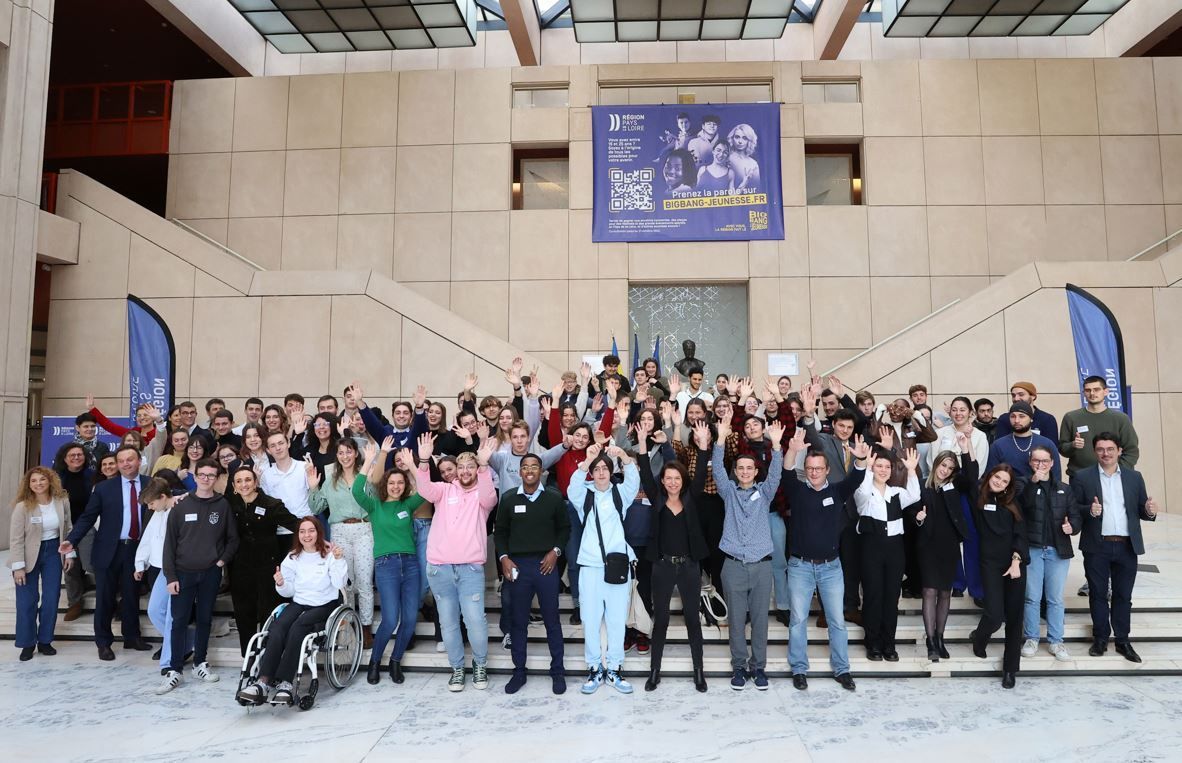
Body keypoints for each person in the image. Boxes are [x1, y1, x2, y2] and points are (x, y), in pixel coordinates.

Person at [780, 428, 867, 691]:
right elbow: (786, 471)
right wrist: (792, 450)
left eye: (819, 468)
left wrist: (861, 458)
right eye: (810, 468)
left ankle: (842, 669)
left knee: (837, 621)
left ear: (827, 470)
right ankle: (799, 669)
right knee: (798, 621)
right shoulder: (797, 491)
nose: (814, 472)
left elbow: (857, 476)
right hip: (800, 567)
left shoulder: (838, 492)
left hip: (831, 568)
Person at [415, 433, 498, 692]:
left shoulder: (482, 495)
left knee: (475, 621)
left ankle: (480, 664)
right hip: (440, 568)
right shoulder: (444, 490)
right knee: (448, 622)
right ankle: (457, 669)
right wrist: (423, 461)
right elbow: (424, 489)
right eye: (461, 467)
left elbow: (490, 497)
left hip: (469, 569)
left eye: (469, 467)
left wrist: (483, 465)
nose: (464, 471)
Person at [235, 516, 348, 706]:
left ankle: (285, 683)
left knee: (298, 628)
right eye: (302, 531)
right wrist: (281, 583)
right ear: (298, 535)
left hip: (324, 604)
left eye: (311, 530)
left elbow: (339, 583)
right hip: (299, 602)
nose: (307, 535)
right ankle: (263, 681)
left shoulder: (329, 555)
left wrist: (338, 560)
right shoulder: (293, 557)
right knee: (278, 628)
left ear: (318, 532)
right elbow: (288, 591)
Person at [712, 415, 785, 691]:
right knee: (736, 621)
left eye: (749, 468)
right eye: (740, 468)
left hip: (761, 566)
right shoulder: (728, 492)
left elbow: (776, 475)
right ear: (736, 471)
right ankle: (739, 667)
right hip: (733, 566)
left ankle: (759, 667)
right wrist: (720, 439)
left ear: (755, 472)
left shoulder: (765, 493)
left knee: (760, 620)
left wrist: (776, 446)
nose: (744, 472)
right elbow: (718, 471)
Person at [60, 444, 153, 661]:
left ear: (139, 461)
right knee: (105, 598)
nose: (126, 464)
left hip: (137, 549)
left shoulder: (151, 484)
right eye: (121, 461)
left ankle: (132, 637)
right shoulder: (103, 488)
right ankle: (103, 642)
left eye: (130, 459)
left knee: (131, 595)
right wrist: (72, 540)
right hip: (108, 550)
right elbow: (88, 517)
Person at [1072, 433, 1158, 663]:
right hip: (1096, 545)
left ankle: (1122, 640)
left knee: (1123, 595)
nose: (1105, 453)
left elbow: (1141, 509)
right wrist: (1090, 511)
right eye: (1100, 449)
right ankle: (1100, 638)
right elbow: (1074, 508)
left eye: (1110, 449)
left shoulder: (1134, 477)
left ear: (1119, 451)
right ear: (1094, 452)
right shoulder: (1082, 477)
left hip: (1127, 546)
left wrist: (1149, 511)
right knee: (1097, 594)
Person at [639, 418, 709, 693]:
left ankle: (699, 672)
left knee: (692, 619)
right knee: (662, 620)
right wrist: (642, 443)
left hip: (689, 567)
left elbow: (701, 472)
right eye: (668, 478)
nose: (672, 482)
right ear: (663, 481)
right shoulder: (657, 498)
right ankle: (654, 672)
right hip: (663, 566)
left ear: (683, 480)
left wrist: (703, 445)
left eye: (677, 478)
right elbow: (645, 472)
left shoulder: (691, 498)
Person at [567, 442, 641, 696]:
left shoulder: (620, 494)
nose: (600, 473)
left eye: (604, 469)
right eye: (596, 469)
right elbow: (572, 487)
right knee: (590, 620)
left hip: (617, 566)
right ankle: (594, 668)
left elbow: (633, 480)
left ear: (611, 472)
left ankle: (615, 668)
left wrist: (623, 456)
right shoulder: (585, 495)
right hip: (590, 566)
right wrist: (587, 461)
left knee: (617, 620)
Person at [494, 453, 570, 695]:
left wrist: (555, 552)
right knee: (518, 622)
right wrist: (504, 558)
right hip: (518, 566)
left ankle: (557, 671)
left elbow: (564, 529)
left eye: (534, 466)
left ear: (542, 471)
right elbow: (500, 532)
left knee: (552, 620)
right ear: (519, 472)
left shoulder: (553, 498)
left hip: (546, 565)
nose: (529, 470)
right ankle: (519, 671)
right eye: (525, 467)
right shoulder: (508, 498)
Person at [160, 458, 239, 693]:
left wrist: (221, 561)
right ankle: (175, 669)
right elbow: (169, 544)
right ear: (194, 477)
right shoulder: (181, 505)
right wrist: (170, 577)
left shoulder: (222, 505)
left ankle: (199, 663)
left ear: (217, 478)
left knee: (205, 619)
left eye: (211, 475)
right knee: (179, 621)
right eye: (202, 475)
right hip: (183, 573)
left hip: (210, 573)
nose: (206, 479)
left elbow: (233, 539)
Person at [352, 441, 422, 686]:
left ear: (405, 486)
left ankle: (395, 661)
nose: (395, 486)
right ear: (385, 485)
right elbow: (357, 491)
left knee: (409, 620)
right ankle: (375, 661)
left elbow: (426, 489)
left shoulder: (408, 504)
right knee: (390, 619)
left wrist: (413, 466)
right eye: (391, 483)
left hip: (411, 565)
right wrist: (367, 463)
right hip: (386, 566)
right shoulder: (375, 506)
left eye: (400, 483)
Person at [854, 444, 921, 661]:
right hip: (871, 548)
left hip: (894, 550)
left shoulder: (896, 493)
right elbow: (863, 491)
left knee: (891, 598)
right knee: (873, 596)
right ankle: (873, 643)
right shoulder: (864, 493)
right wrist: (866, 467)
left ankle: (888, 644)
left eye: (887, 467)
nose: (883, 470)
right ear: (873, 468)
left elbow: (915, 495)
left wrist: (911, 470)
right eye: (879, 466)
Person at [913, 436, 977, 662]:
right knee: (929, 591)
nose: (945, 470)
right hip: (927, 545)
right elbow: (911, 510)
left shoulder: (955, 485)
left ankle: (940, 638)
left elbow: (972, 478)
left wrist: (966, 448)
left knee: (945, 593)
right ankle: (930, 640)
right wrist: (917, 517)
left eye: (950, 468)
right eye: (943, 465)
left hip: (949, 544)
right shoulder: (922, 484)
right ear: (936, 464)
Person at [307, 437, 376, 647]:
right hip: (339, 531)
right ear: (336, 456)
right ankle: (349, 624)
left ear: (355, 453)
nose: (345, 456)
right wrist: (313, 487)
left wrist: (371, 480)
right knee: (346, 582)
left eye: (348, 451)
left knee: (364, 581)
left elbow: (374, 503)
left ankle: (366, 627)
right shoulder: (331, 480)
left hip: (364, 529)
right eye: (341, 453)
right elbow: (316, 507)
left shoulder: (365, 475)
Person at [226, 466, 300, 655]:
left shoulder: (271, 504)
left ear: (255, 482)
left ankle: (268, 654)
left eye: (248, 480)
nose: (244, 484)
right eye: (239, 481)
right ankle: (249, 656)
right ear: (234, 486)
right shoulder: (230, 505)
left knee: (268, 611)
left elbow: (296, 525)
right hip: (240, 567)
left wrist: (318, 539)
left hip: (267, 566)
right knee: (244, 613)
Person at [1019, 445, 1080, 662]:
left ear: (1052, 463)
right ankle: (1032, 638)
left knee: (1055, 598)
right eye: (1036, 460)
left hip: (1058, 550)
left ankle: (1056, 641)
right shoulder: (1022, 484)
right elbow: (1020, 508)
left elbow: (1075, 516)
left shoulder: (1064, 488)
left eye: (1045, 461)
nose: (1040, 465)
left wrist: (1072, 527)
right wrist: (1032, 483)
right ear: (1030, 462)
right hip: (1033, 548)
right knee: (1032, 597)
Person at [968, 464, 1027, 688]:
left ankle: (1010, 669)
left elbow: (1021, 534)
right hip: (990, 564)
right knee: (994, 615)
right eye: (997, 477)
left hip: (1015, 563)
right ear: (990, 476)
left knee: (1015, 618)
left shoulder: (1012, 503)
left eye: (1004, 481)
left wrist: (1016, 560)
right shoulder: (979, 498)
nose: (999, 483)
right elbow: (970, 474)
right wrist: (967, 449)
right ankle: (979, 638)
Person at [132, 477, 194, 689]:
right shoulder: (157, 513)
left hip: (180, 569)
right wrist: (140, 564)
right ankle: (188, 640)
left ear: (162, 496)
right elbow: (148, 539)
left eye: (151, 503)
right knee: (154, 610)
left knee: (171, 617)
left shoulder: (181, 506)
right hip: (162, 570)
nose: (149, 507)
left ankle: (168, 663)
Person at [10, 466, 75, 661]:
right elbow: (15, 538)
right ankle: (27, 643)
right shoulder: (23, 506)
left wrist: (70, 554)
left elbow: (68, 528)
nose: (38, 483)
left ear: (50, 481)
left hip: (54, 551)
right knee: (26, 601)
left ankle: (45, 640)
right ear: (28, 485)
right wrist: (18, 566)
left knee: (51, 598)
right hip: (27, 554)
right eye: (34, 481)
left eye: (42, 479)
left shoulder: (61, 501)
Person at [1058, 375, 1139, 478]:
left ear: (1106, 391)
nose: (1092, 393)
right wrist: (1073, 445)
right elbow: (1062, 449)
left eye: (1096, 389)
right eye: (1088, 390)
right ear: (1084, 393)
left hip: (1114, 477)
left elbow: (1132, 450)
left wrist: (1117, 470)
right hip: (1080, 477)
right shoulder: (1071, 417)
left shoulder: (1121, 419)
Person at [53, 442, 93, 622]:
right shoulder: (56, 478)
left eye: (79, 454)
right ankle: (75, 603)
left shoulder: (92, 476)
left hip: (87, 525)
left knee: (89, 562)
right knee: (69, 566)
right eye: (72, 455)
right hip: (65, 526)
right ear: (64, 458)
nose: (76, 458)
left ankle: (93, 586)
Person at [986, 401, 1061, 480]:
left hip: (1040, 487)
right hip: (1009, 487)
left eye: (1022, 416)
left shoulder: (1047, 444)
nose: (1016, 420)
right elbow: (991, 477)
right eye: (1013, 416)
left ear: (1031, 419)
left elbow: (1056, 477)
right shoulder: (998, 445)